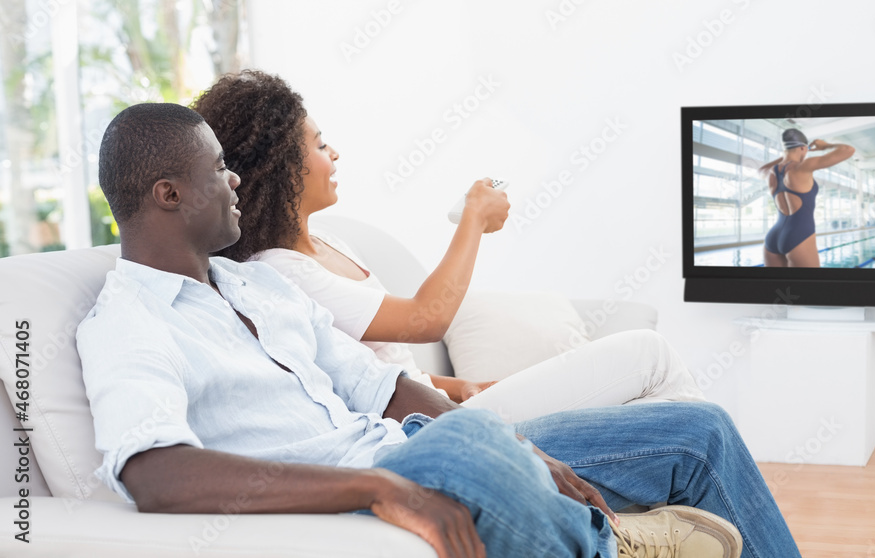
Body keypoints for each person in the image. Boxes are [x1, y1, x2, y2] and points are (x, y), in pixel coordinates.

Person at [77, 102, 804, 557]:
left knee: (696, 431)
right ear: (168, 193)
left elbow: (385, 386)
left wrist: (517, 443)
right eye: (218, 169)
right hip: (377, 470)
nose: (235, 180)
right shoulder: (128, 323)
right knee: (467, 444)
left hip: (421, 445)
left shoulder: (256, 285)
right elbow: (155, 473)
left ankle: (565, 503)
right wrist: (378, 485)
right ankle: (610, 546)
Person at [190, 70, 704, 422]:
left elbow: (389, 367)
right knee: (647, 355)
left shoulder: (329, 241)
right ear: (281, 166)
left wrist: (462, 387)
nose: (336, 153)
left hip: (446, 406)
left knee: (648, 389)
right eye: (321, 145)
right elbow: (424, 320)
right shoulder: (280, 272)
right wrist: (473, 222)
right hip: (427, 432)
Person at [759, 128, 855, 268]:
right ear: (803, 148)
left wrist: (787, 154)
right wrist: (825, 146)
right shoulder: (803, 167)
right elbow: (848, 149)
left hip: (773, 237)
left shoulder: (769, 172)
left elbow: (760, 169)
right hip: (799, 235)